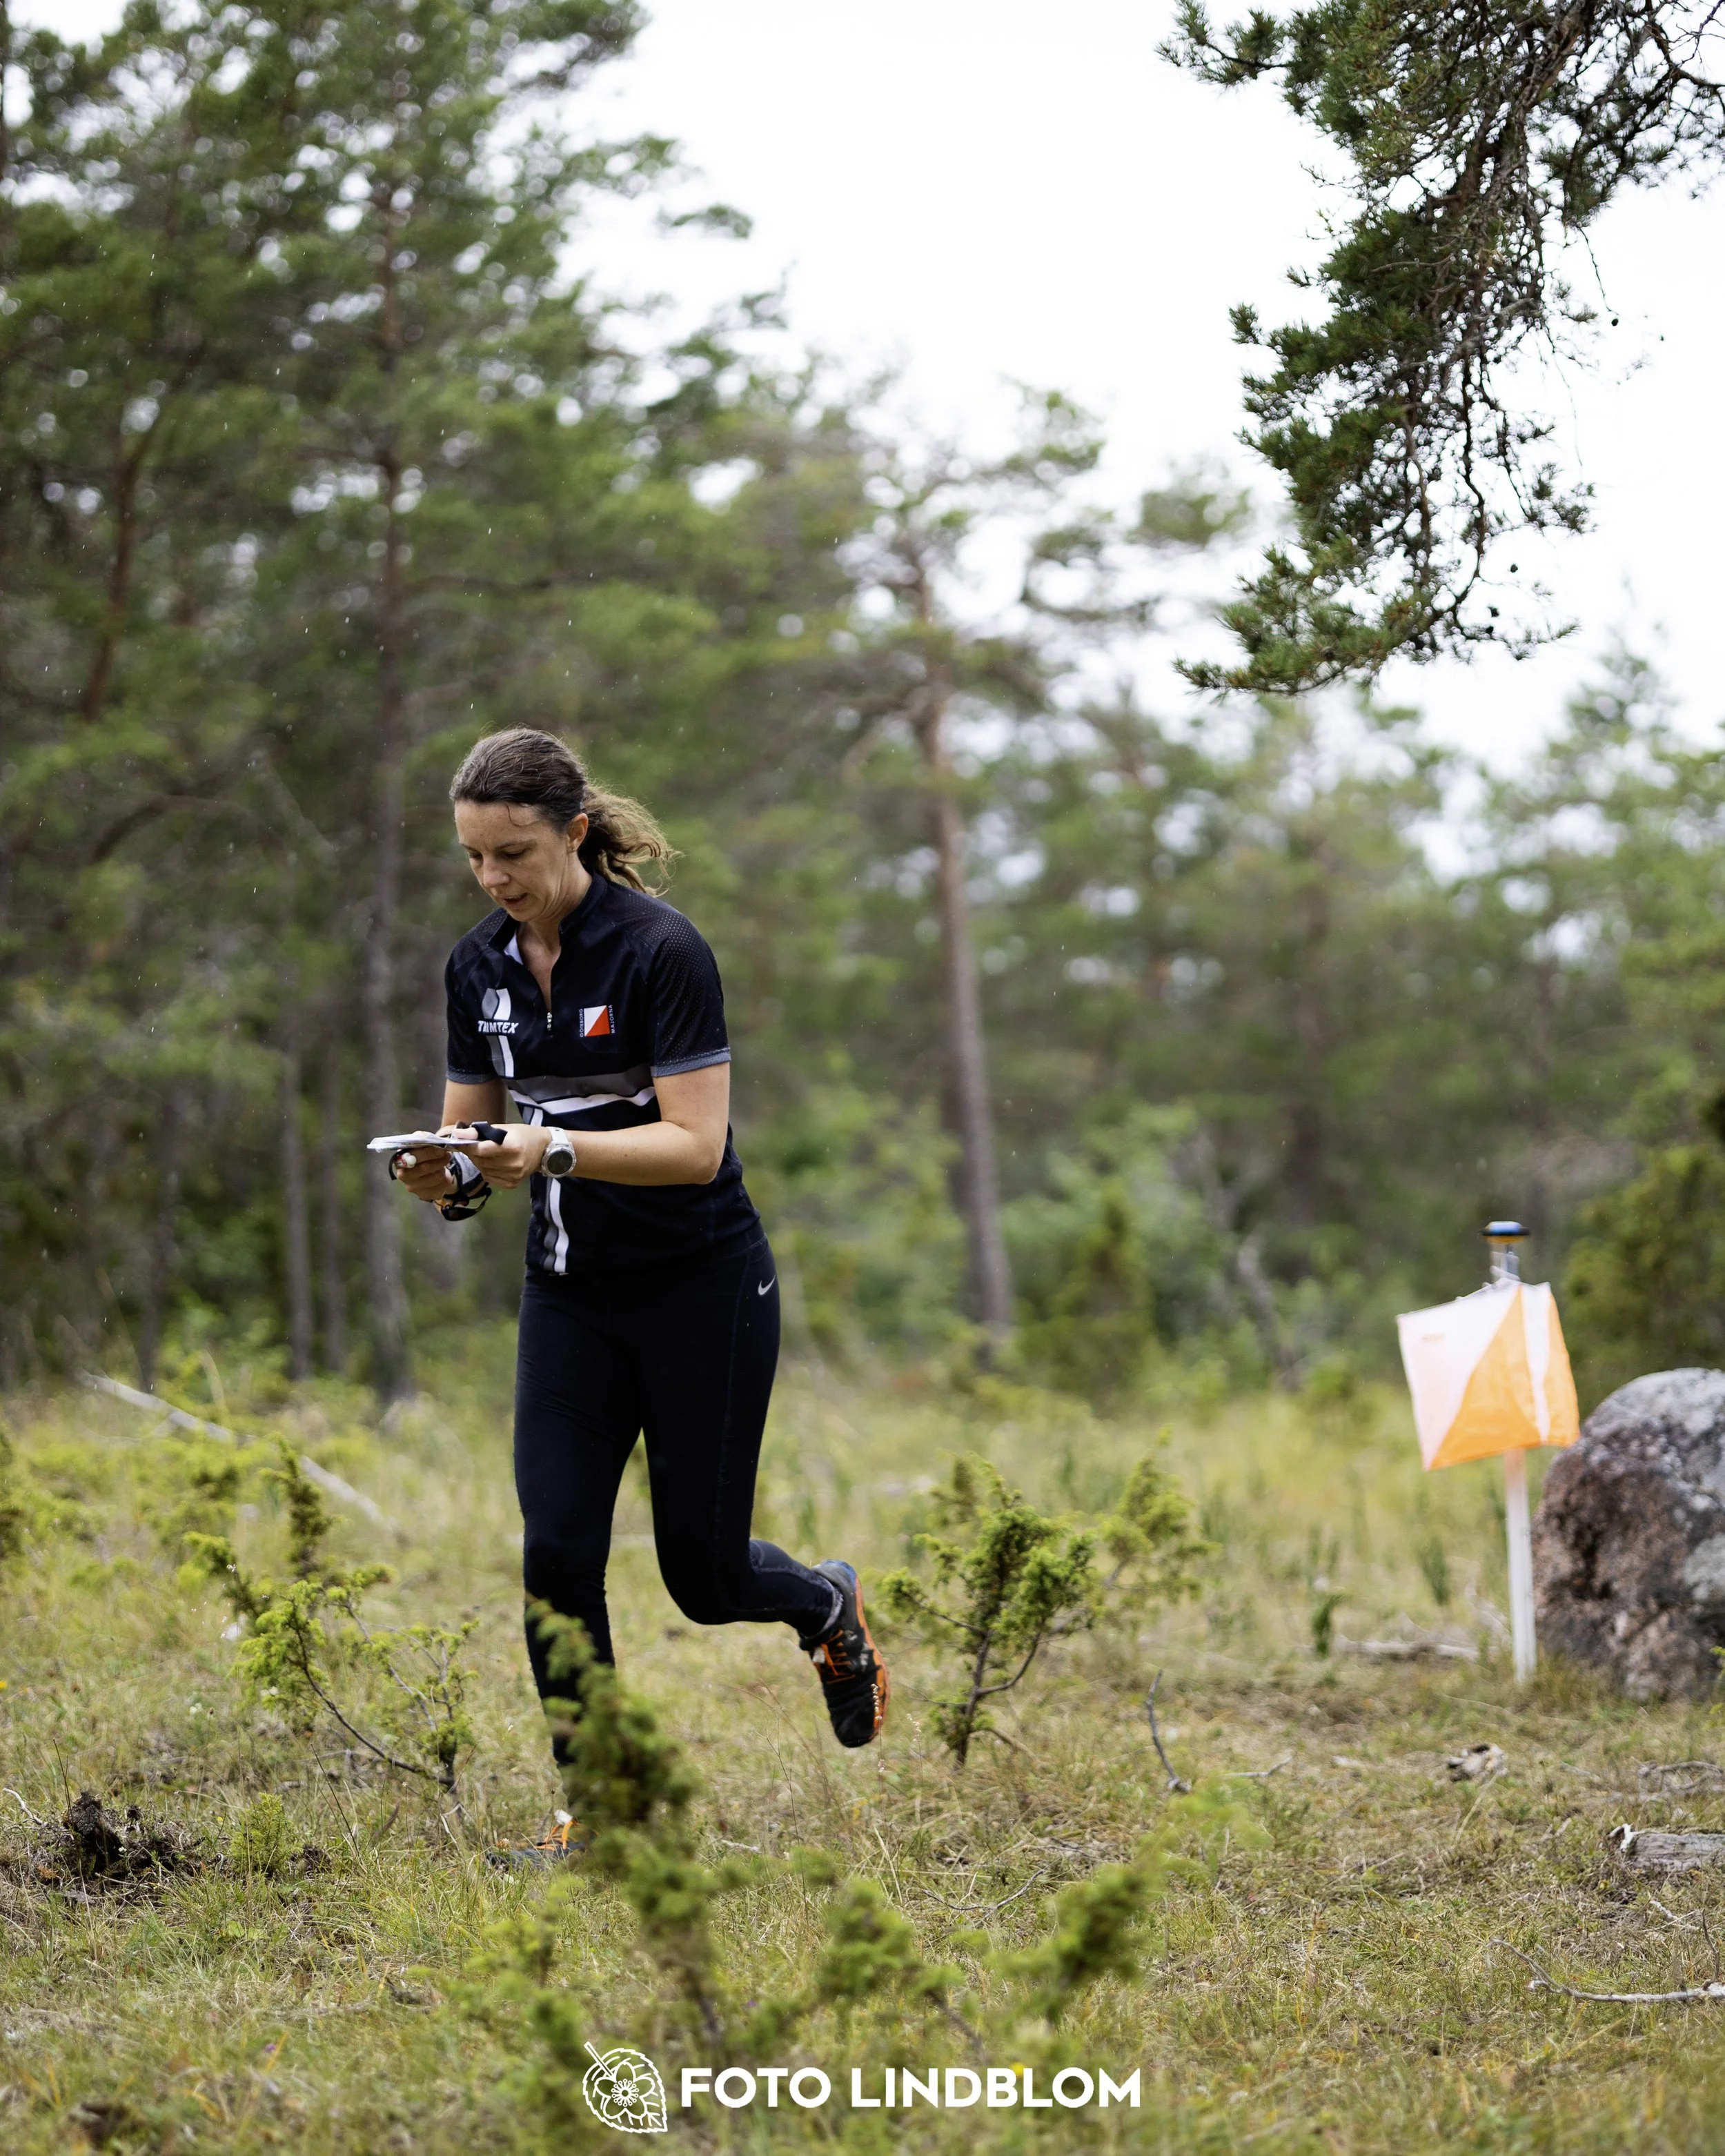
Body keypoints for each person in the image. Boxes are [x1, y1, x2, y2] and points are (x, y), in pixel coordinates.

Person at [391, 729, 888, 1838]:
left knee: (703, 1581)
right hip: (570, 1295)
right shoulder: (477, 968)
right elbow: (472, 1147)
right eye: (474, 858)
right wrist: (446, 1176)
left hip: (700, 1289)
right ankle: (604, 1816)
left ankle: (824, 1603)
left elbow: (695, 1146)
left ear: (574, 832)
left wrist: (553, 1151)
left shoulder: (663, 952)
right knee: (557, 1553)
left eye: (513, 852)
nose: (494, 878)